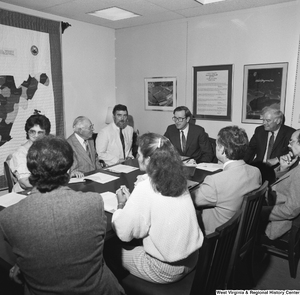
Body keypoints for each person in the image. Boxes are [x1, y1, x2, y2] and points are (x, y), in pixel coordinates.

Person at [0, 136, 125, 295]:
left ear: (31, 171)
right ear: (68, 170)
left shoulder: (7, 217)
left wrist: (23, 264)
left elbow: (44, 244)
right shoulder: (94, 202)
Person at [110, 133, 204, 284]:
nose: (137, 157)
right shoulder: (180, 181)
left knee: (108, 251)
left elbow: (124, 233)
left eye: (139, 154)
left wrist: (121, 206)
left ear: (149, 159)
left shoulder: (146, 187)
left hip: (164, 270)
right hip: (192, 259)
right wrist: (134, 203)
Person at [191, 126, 262, 235]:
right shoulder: (255, 172)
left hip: (214, 238)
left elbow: (190, 200)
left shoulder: (215, 181)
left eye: (217, 144)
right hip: (240, 233)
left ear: (222, 149)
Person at [262, 129, 300, 240]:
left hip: (275, 225)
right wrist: (283, 169)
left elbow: (290, 211)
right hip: (273, 203)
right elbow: (287, 186)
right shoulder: (297, 165)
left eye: (292, 141)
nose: (289, 144)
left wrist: (258, 211)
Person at [9, 111, 51, 192]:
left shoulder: (49, 149)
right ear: (27, 131)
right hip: (25, 194)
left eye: (40, 132)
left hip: (45, 191)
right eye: (32, 131)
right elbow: (25, 183)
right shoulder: (20, 154)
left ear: (46, 134)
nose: (35, 135)